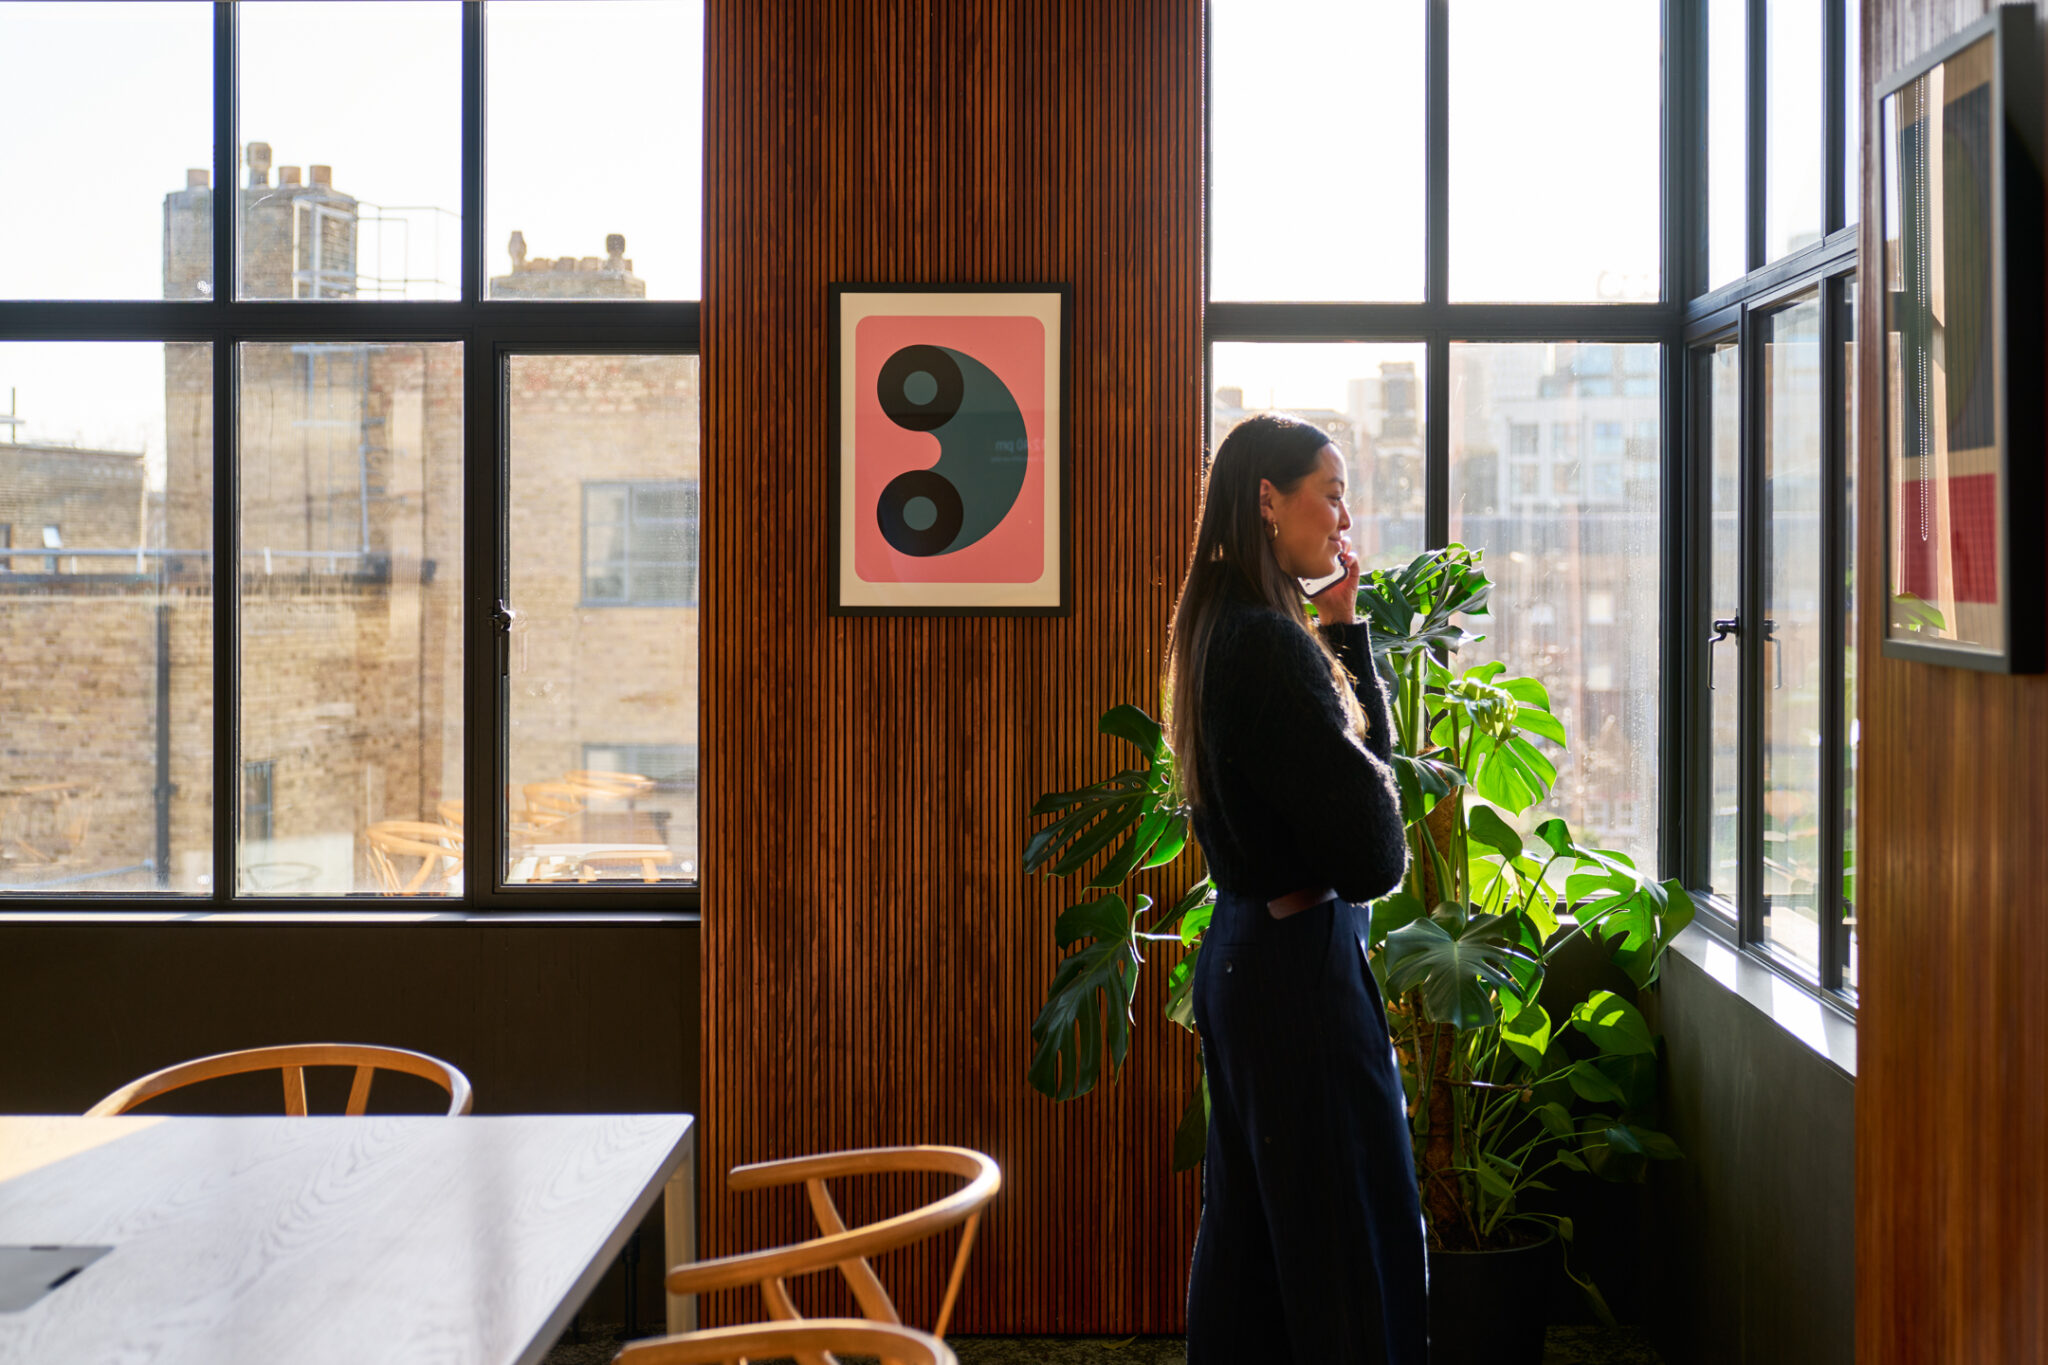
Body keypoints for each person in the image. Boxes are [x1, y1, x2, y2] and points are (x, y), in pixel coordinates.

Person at [1170, 412, 1426, 1363]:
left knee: (1253, 1253)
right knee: (1347, 1248)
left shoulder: (1221, 628)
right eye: (1331, 489)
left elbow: (1358, 785)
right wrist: (1331, 652)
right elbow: (1374, 853)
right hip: (1298, 974)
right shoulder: (1268, 649)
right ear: (1269, 500)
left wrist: (1344, 630)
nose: (1346, 514)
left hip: (1249, 957)